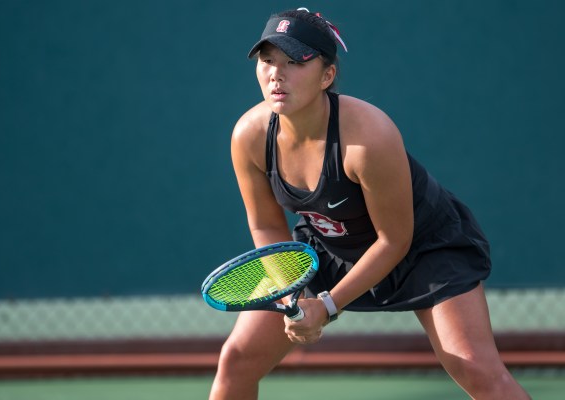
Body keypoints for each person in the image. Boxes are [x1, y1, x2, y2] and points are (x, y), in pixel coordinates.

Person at [209, 8, 530, 400]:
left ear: (327, 76)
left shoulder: (369, 138)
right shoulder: (249, 136)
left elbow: (394, 239)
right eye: (268, 60)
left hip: (421, 247)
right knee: (237, 358)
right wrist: (292, 293)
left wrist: (326, 305)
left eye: (295, 62)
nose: (277, 73)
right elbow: (266, 226)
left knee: (477, 369)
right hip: (325, 246)